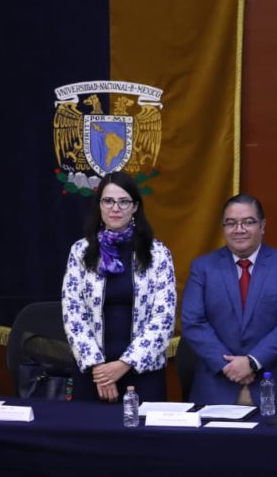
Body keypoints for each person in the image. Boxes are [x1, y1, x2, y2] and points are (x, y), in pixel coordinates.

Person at [181, 193, 277, 406]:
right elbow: (193, 323)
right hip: (216, 386)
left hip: (275, 387)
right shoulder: (202, 268)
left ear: (263, 225)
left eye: (248, 222)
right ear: (223, 227)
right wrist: (230, 367)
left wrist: (252, 362)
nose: (239, 229)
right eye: (231, 223)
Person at [61, 171, 176, 402]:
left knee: (142, 438)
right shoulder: (80, 251)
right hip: (93, 373)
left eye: (124, 201)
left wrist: (124, 364)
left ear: (135, 207)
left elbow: (164, 318)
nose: (116, 208)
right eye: (108, 201)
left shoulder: (157, 253)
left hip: (143, 371)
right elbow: (73, 313)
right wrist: (100, 370)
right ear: (99, 206)